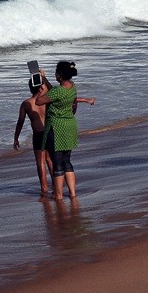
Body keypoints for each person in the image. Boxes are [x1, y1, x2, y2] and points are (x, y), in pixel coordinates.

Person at [35, 61, 95, 200]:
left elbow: (39, 101)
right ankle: (73, 193)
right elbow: (54, 92)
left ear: (60, 76)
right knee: (67, 161)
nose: (55, 74)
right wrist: (44, 79)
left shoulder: (58, 91)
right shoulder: (72, 87)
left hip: (56, 128)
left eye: (56, 72)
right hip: (70, 126)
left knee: (57, 163)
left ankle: (59, 195)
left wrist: (40, 89)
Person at [14, 77, 53, 197]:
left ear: (30, 88)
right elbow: (50, 89)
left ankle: (44, 187)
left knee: (40, 162)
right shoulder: (47, 100)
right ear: (41, 87)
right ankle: (57, 184)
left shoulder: (26, 103)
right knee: (50, 160)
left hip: (38, 134)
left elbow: (20, 122)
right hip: (50, 132)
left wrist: (16, 138)